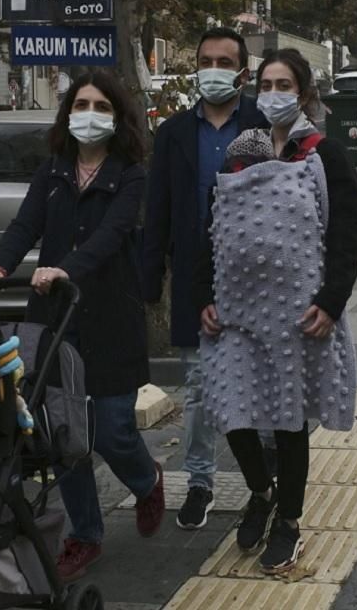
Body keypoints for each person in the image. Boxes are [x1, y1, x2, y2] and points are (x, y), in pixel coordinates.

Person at [0, 72, 165, 581]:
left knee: (114, 431)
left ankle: (147, 481)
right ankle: (85, 535)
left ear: (117, 118)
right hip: (56, 320)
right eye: (81, 104)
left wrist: (66, 268)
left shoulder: (130, 175)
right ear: (67, 112)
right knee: (63, 434)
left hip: (111, 317)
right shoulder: (53, 171)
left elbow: (112, 233)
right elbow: (24, 225)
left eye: (101, 106)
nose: (89, 114)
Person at [195, 48, 357, 574]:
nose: (272, 94)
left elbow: (347, 234)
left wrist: (330, 302)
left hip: (297, 315)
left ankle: (288, 520)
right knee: (232, 409)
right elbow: (214, 227)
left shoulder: (324, 154)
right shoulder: (240, 152)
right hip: (236, 313)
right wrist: (204, 295)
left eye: (283, 85)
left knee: (289, 423)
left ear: (304, 93)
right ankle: (261, 491)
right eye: (265, 85)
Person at [142, 27, 270, 530]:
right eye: (205, 61)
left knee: (260, 383)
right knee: (199, 386)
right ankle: (200, 481)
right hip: (194, 278)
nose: (212, 70)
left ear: (243, 72)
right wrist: (151, 277)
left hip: (256, 278)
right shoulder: (173, 132)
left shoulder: (262, 123)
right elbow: (158, 210)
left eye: (224, 62)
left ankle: (266, 479)